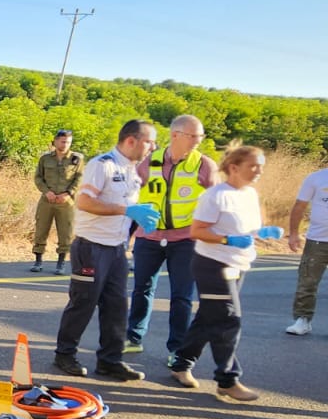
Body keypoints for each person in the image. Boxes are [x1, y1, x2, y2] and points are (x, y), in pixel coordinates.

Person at [49, 120, 160, 381]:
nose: (153, 147)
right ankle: (64, 354)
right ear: (131, 140)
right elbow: (85, 201)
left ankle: (110, 360)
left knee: (117, 307)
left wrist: (138, 219)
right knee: (83, 303)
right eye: (149, 141)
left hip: (117, 249)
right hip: (91, 247)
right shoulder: (104, 164)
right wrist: (126, 210)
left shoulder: (132, 171)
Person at [170, 145, 282, 402]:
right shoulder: (215, 195)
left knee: (209, 317)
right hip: (213, 265)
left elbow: (247, 228)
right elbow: (197, 231)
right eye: (253, 166)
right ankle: (227, 380)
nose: (259, 171)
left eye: (261, 166)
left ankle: (180, 365)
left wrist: (261, 233)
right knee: (228, 319)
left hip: (238, 265)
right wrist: (227, 240)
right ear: (234, 167)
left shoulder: (250, 194)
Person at [124, 115, 216, 362]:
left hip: (186, 240)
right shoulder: (147, 162)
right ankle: (133, 337)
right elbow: (132, 199)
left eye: (201, 136)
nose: (199, 141)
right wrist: (127, 237)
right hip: (148, 237)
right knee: (142, 288)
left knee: (181, 296)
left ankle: (178, 349)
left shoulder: (204, 165)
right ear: (176, 135)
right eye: (194, 136)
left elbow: (216, 204)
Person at [285, 162, 328, 335]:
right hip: (317, 240)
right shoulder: (316, 178)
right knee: (307, 281)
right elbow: (300, 206)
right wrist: (294, 233)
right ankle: (302, 320)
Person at [31, 129, 84, 273]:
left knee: (65, 232)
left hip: (66, 202)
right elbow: (38, 177)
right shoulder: (45, 158)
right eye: (62, 141)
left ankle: (60, 263)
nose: (65, 144)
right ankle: (38, 261)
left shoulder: (76, 159)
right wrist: (46, 192)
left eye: (68, 142)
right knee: (41, 230)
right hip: (47, 200)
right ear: (55, 141)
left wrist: (68, 194)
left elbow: (79, 178)